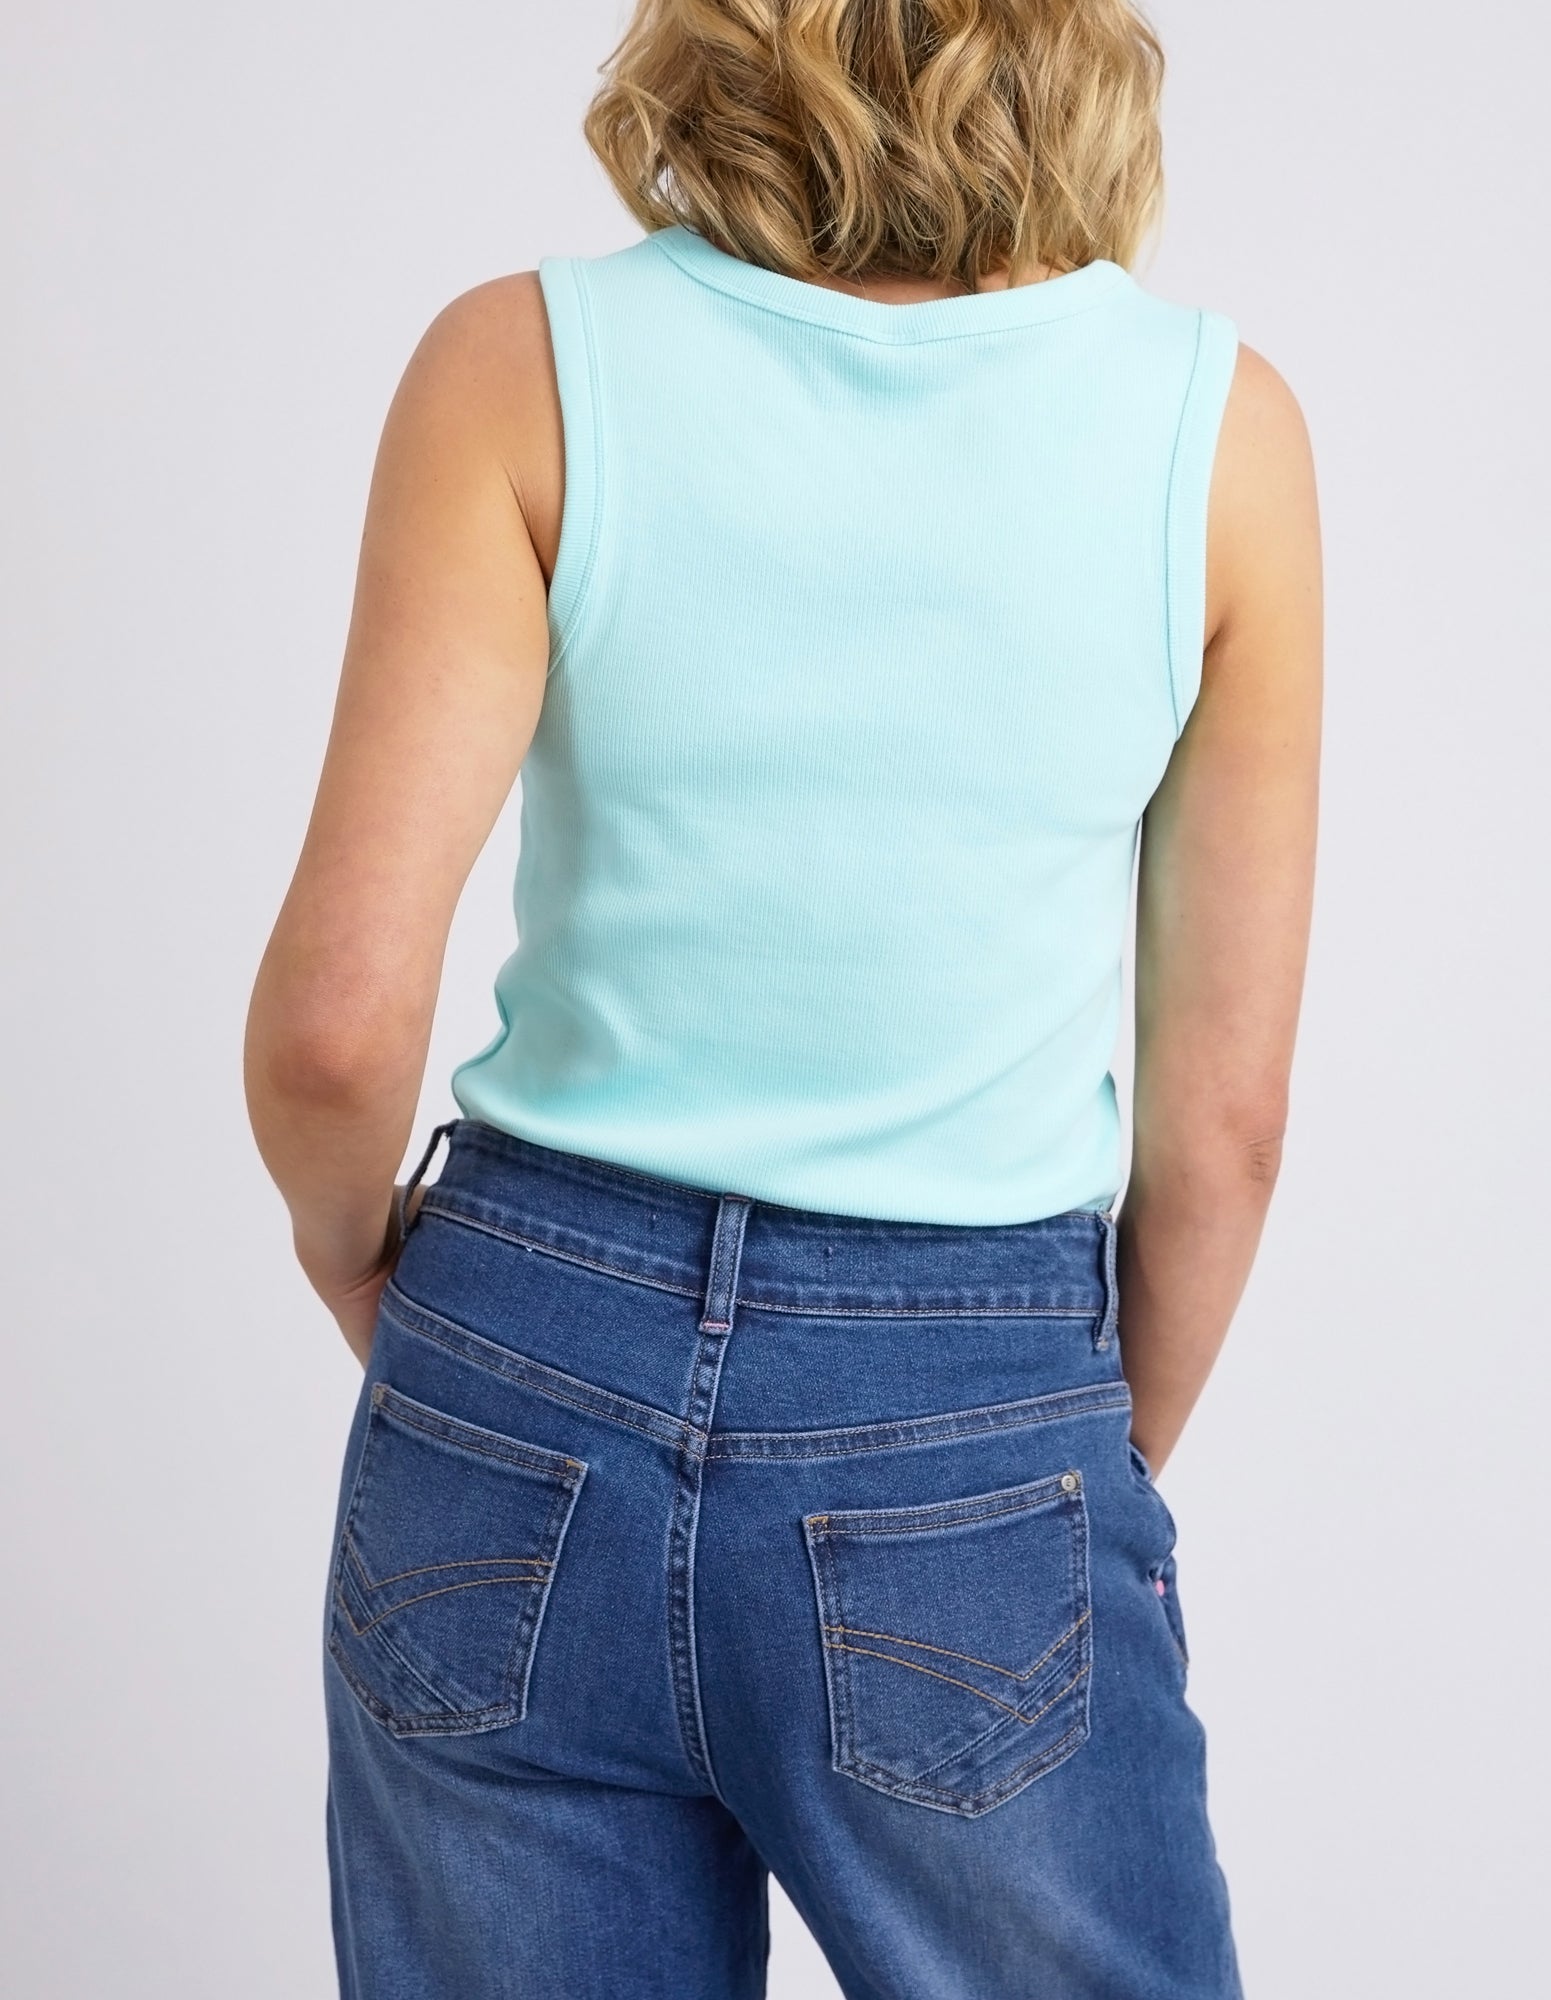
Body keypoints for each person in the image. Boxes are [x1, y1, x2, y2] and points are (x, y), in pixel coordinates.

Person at [244, 2, 1321, 1993]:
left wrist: (360, 1268)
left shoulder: (518, 368)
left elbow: (334, 1022)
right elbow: (1225, 1131)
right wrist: (1059, 1457)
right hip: (966, 1395)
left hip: (514, 1362)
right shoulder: (1215, 437)